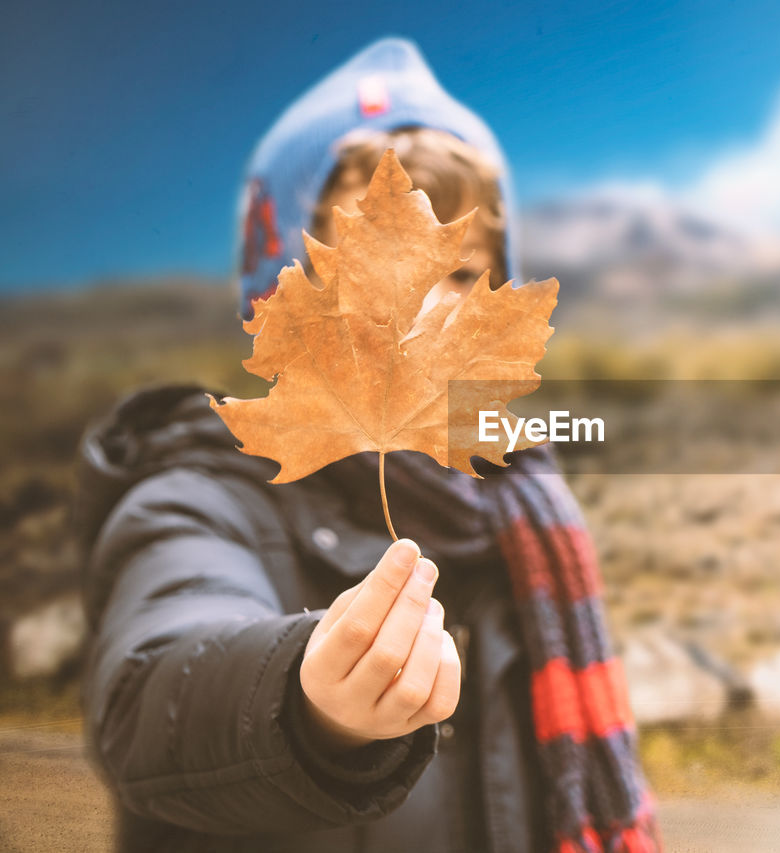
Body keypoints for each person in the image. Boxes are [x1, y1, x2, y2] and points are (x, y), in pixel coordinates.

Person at [75, 37, 660, 853]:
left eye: (459, 276)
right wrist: (306, 702)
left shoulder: (521, 512)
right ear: (280, 302)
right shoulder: (200, 491)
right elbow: (148, 692)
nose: (422, 314)